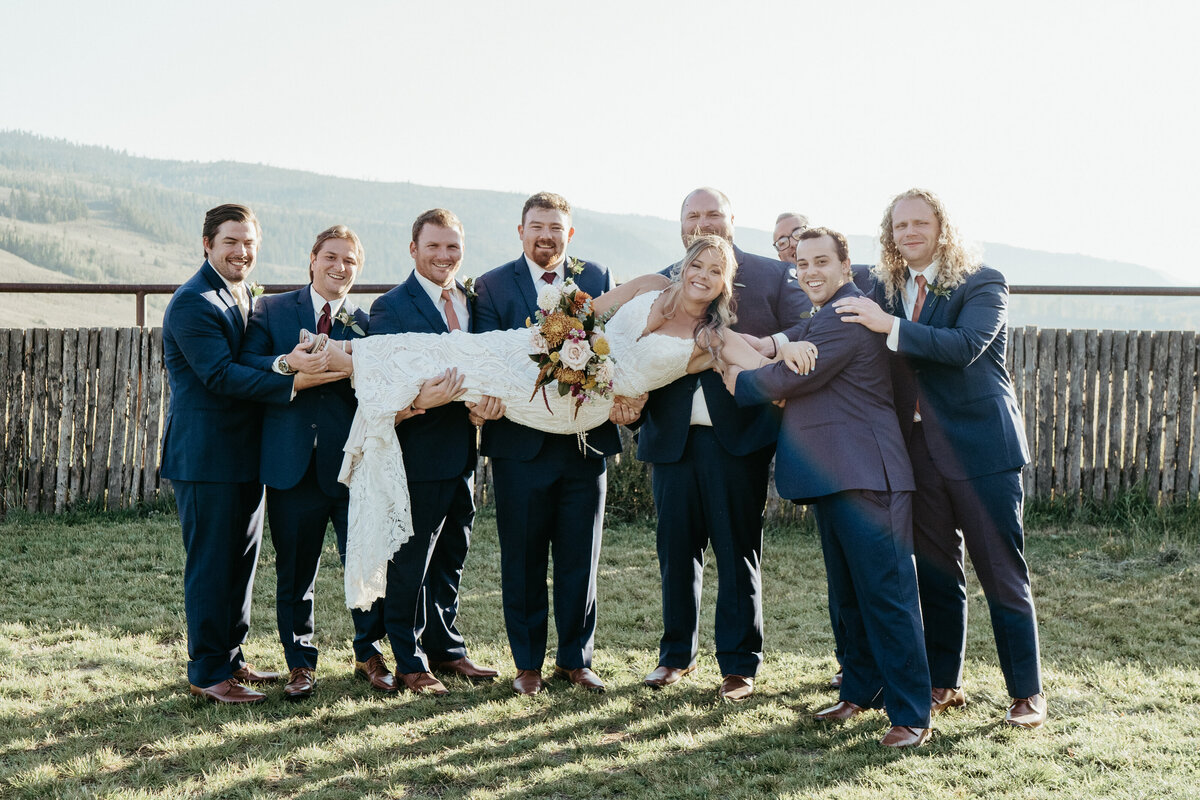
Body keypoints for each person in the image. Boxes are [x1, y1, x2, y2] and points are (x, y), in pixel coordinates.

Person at [331, 233, 809, 699]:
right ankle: (341, 354)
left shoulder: (712, 338)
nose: (703, 276)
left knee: (468, 374)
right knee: (470, 353)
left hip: (580, 413)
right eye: (697, 265)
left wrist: (785, 347)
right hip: (539, 366)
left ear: (725, 285)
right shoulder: (646, 286)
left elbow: (758, 358)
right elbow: (581, 313)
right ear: (683, 267)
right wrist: (559, 342)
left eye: (715, 272)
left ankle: (575, 660)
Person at [834, 188, 1045, 729]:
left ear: (942, 228)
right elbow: (824, 278)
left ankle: (1026, 694)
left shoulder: (983, 281)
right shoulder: (883, 285)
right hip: (917, 452)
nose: (908, 233)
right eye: (898, 225)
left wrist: (888, 326)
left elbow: (963, 345)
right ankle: (943, 684)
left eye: (919, 223)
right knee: (935, 572)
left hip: (982, 449)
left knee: (1001, 571)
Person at [725, 227, 932, 748]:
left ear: (845, 266)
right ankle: (860, 690)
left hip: (869, 475)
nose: (810, 271)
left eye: (822, 261)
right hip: (836, 477)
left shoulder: (847, 314)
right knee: (848, 597)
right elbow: (794, 348)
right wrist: (776, 346)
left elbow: (784, 381)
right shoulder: (821, 317)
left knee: (888, 595)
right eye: (801, 263)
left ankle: (912, 713)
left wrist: (736, 378)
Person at [631, 188, 811, 701]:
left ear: (732, 220)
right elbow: (631, 354)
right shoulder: (662, 282)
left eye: (713, 214)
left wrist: (771, 346)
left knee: (737, 551)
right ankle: (674, 657)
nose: (703, 222)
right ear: (680, 224)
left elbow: (808, 323)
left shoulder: (773, 275)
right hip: (670, 436)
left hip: (740, 437)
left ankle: (738, 664)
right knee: (675, 549)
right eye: (693, 215)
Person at [162, 204, 344, 704]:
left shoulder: (241, 294)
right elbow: (220, 375)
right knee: (210, 564)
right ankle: (206, 672)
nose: (241, 252)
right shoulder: (193, 302)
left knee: (241, 562)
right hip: (206, 458)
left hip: (246, 455)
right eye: (230, 243)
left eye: (248, 244)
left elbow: (249, 360)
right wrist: (292, 373)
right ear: (207, 244)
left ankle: (232, 657)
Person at [238, 225, 396, 700]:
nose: (339, 267)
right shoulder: (271, 308)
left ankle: (369, 653)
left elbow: (382, 384)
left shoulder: (368, 324)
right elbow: (249, 363)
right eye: (331, 256)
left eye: (349, 260)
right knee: (296, 570)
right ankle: (300, 662)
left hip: (351, 464)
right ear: (312, 260)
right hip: (291, 463)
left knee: (364, 562)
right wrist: (288, 365)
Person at [367, 208, 505, 695]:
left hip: (466, 452)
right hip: (418, 455)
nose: (444, 256)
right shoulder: (390, 307)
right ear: (413, 250)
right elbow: (384, 382)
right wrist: (419, 396)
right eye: (433, 247)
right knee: (411, 561)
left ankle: (448, 649)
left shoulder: (471, 303)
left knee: (451, 557)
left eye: (452, 247)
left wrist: (488, 404)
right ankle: (409, 659)